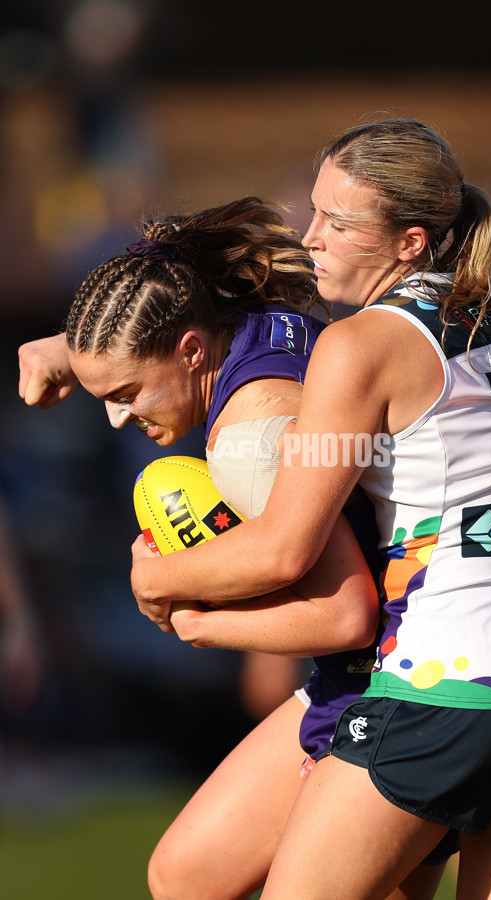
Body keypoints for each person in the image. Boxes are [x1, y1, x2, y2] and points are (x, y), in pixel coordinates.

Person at [111, 118, 491, 900]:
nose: (312, 238)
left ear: (409, 242)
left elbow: (283, 551)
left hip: (449, 688)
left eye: (338, 223)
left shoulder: (362, 346)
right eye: (314, 211)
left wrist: (162, 584)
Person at [18, 195, 456, 900]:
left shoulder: (252, 443)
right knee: (185, 873)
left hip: (394, 684)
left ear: (190, 348)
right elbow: (156, 334)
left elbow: (346, 614)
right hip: (392, 663)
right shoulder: (256, 320)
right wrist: (64, 349)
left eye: (126, 391)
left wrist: (188, 615)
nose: (117, 414)